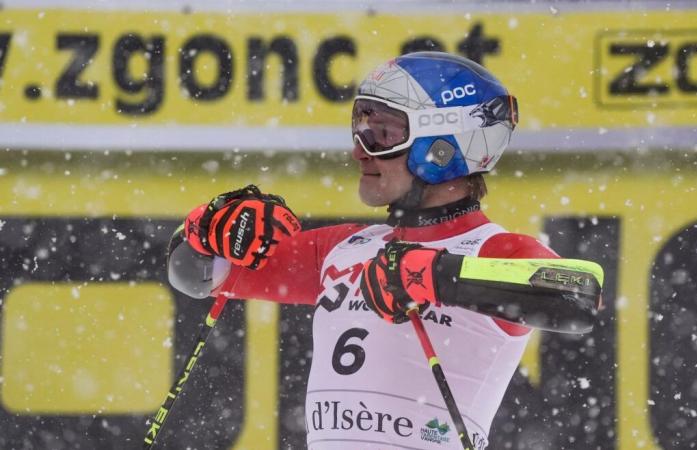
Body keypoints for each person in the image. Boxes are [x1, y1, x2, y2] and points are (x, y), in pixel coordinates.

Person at [168, 52, 603, 450]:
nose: (360, 151)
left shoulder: (495, 248)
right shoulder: (344, 249)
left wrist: (429, 275)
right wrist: (211, 224)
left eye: (382, 133)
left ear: (443, 148)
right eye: (361, 127)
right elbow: (194, 273)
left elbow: (577, 294)